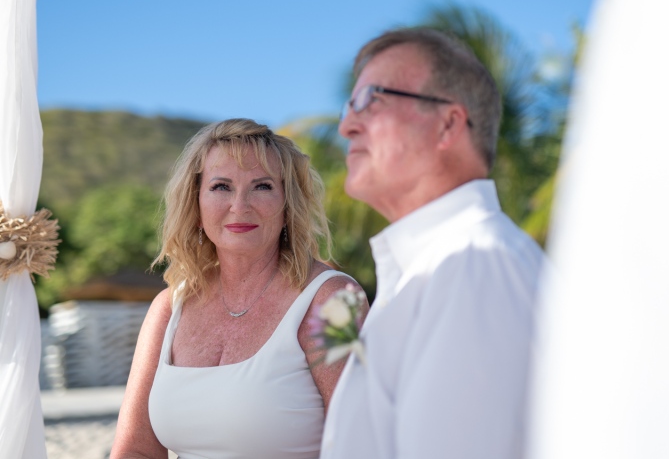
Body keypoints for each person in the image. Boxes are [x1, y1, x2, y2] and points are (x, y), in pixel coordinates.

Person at [321, 28, 545, 459]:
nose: (346, 125)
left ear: (447, 124)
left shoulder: (474, 265)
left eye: (373, 99)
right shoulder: (440, 268)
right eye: (350, 104)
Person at [111, 118, 367, 459]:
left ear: (288, 204)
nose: (240, 205)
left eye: (262, 186)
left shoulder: (333, 302)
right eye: (221, 187)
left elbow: (362, 442)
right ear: (196, 204)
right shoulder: (169, 307)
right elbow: (137, 450)